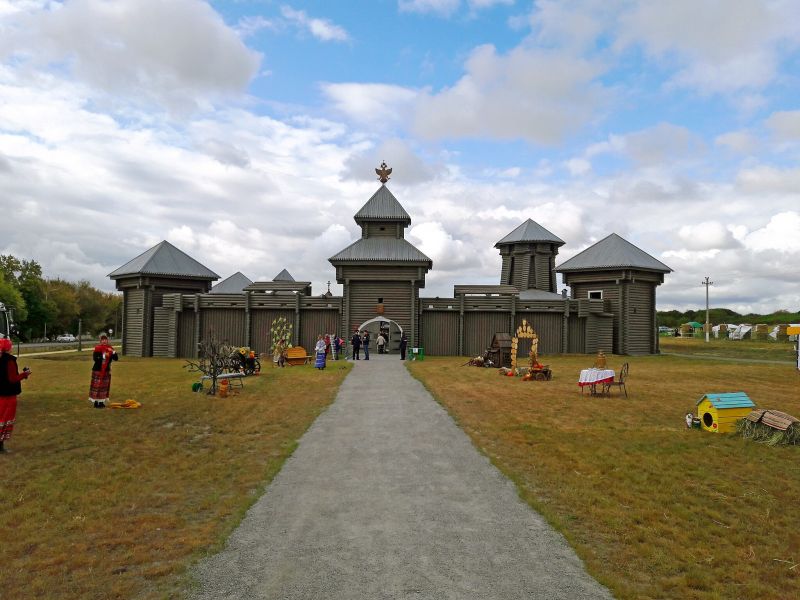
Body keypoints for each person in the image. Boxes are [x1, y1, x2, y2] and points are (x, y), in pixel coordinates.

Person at [0, 337, 31, 453]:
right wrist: (25, 374)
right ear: (9, 348)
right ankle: (0, 446)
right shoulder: (9, 361)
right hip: (8, 394)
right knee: (5, 419)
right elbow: (13, 379)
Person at [89, 334, 118, 408]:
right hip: (98, 370)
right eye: (103, 340)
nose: (104, 341)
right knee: (97, 386)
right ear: (100, 341)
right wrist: (105, 355)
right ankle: (96, 402)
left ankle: (101, 402)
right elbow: (95, 359)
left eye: (105, 339)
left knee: (104, 387)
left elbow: (116, 358)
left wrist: (113, 352)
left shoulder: (110, 348)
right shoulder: (97, 348)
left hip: (106, 370)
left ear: (107, 340)